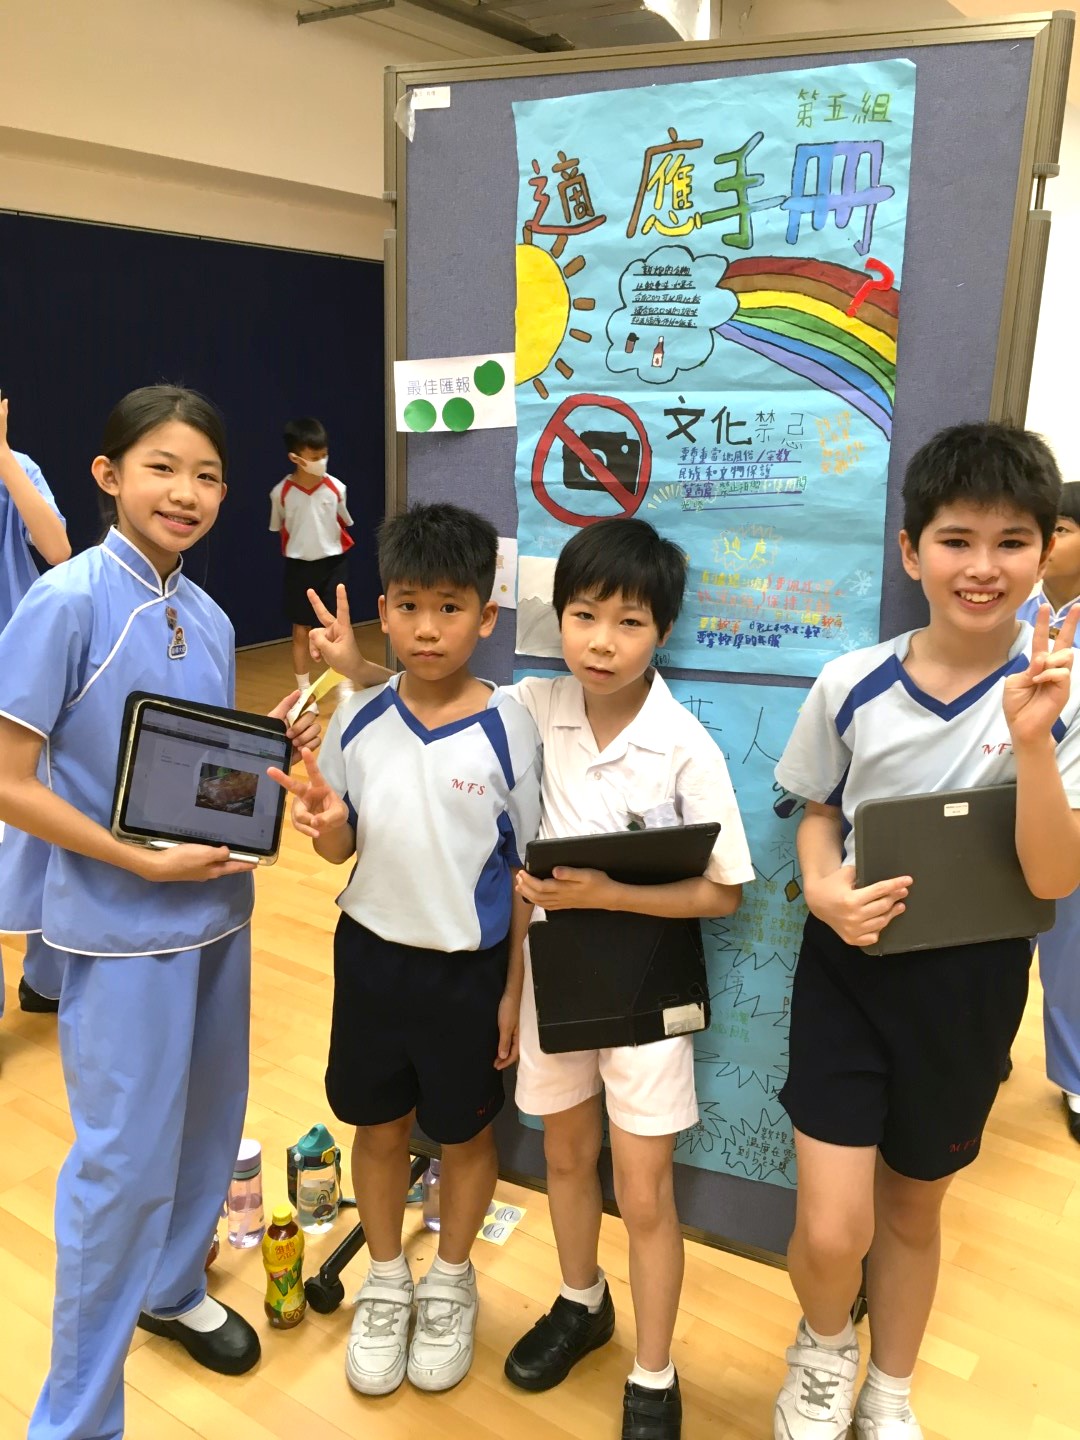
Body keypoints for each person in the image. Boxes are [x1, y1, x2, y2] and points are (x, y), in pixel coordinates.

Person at [309, 516, 755, 1440]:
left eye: (629, 623)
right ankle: (580, 1302)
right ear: (557, 620)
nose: (603, 642)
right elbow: (429, 686)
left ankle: (655, 1374)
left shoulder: (679, 742)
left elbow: (724, 892)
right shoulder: (537, 704)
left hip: (643, 991)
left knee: (644, 1189)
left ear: (663, 630)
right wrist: (353, 671)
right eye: (584, 616)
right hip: (548, 980)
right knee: (561, 1157)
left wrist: (605, 894)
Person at [0, 385, 319, 1440]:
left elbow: (184, 773)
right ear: (108, 476)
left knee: (207, 1131)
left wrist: (265, 748)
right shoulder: (68, 602)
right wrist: (135, 858)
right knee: (120, 1171)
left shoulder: (211, 616)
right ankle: (75, 1420)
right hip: (121, 931)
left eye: (208, 475)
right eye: (163, 468)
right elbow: (8, 781)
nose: (186, 493)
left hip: (220, 911)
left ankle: (175, 1288)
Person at [771, 423, 1080, 1439]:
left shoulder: (1065, 697)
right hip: (849, 970)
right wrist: (821, 888)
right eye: (956, 540)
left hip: (971, 990)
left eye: (1011, 541)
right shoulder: (850, 682)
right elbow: (818, 811)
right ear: (911, 552)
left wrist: (1031, 744)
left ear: (1046, 550)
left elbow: (1054, 876)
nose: (983, 567)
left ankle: (890, 1390)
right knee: (832, 1226)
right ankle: (823, 1349)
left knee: (913, 1209)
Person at [271, 502, 542, 1398]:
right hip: (370, 962)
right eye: (411, 606)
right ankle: (386, 1280)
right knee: (377, 1127)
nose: (429, 629)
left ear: (486, 616)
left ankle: (451, 1280)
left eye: (450, 607)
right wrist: (326, 824)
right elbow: (339, 848)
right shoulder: (356, 717)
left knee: (465, 1135)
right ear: (384, 611)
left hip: (468, 973)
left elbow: (526, 877)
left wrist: (511, 992)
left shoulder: (511, 727)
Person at [0, 396, 71, 1017]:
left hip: (17, 672)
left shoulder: (18, 468)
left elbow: (56, 549)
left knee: (34, 828)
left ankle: (45, 980)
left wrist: (3, 458)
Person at [1017, 479, 1080, 1143]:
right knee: (1003, 942)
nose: (1047, 542)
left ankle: (1076, 1078)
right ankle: (989, 1049)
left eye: (1060, 528)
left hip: (1076, 804)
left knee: (1071, 955)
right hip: (1012, 793)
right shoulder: (1018, 609)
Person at [269, 415, 353, 700]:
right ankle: (303, 692)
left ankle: (342, 684)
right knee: (301, 629)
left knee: (337, 625)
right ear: (296, 458)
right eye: (314, 457)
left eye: (324, 455)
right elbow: (279, 527)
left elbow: (344, 522)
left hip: (334, 564)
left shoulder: (337, 488)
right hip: (299, 568)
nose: (321, 462)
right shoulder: (280, 493)